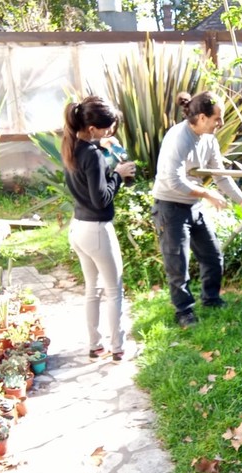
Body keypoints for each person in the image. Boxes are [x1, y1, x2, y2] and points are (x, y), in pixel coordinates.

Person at [151, 91, 242, 328]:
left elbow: (220, 176)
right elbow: (172, 181)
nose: (220, 123)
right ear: (200, 117)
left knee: (212, 255)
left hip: (193, 206)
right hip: (170, 207)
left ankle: (210, 298)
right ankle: (183, 311)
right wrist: (207, 194)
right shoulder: (179, 138)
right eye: (217, 118)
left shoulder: (209, 139)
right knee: (178, 264)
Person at [61, 95, 137, 362]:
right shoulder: (92, 155)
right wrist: (119, 173)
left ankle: (95, 346)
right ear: (92, 128)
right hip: (97, 229)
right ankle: (119, 348)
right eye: (106, 129)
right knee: (114, 290)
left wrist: (103, 148)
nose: (110, 133)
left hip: (78, 227)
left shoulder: (72, 146)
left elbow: (89, 174)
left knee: (92, 289)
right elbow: (101, 198)